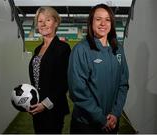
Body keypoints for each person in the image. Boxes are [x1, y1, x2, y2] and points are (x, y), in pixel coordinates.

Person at [68, 4, 129, 134]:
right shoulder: (80, 50)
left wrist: (115, 114)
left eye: (107, 19)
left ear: (112, 23)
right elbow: (77, 91)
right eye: (98, 19)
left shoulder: (118, 49)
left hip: (112, 122)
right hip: (86, 124)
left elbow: (123, 84)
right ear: (91, 22)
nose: (103, 23)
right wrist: (101, 118)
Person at [28, 6, 71, 134]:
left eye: (47, 20)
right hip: (37, 107)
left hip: (53, 108)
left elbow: (64, 82)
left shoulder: (63, 48)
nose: (43, 24)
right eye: (40, 21)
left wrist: (45, 104)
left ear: (56, 22)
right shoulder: (37, 49)